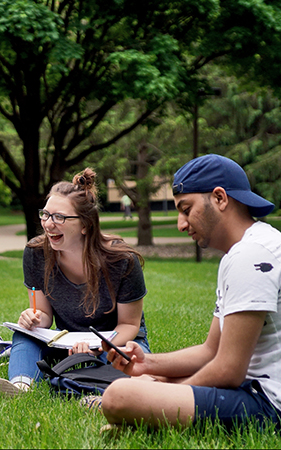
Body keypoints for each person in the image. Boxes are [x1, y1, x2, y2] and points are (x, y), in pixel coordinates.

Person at [99, 154, 281, 432]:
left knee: (119, 396)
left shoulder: (252, 255)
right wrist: (148, 364)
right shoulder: (247, 249)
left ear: (220, 198)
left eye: (186, 209)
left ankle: (144, 416)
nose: (181, 224)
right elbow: (211, 350)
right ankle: (146, 413)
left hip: (269, 404)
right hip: (250, 387)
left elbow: (228, 370)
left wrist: (170, 392)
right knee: (141, 385)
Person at [0, 168, 150, 398]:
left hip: (115, 340)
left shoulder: (121, 261)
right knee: (25, 335)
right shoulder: (35, 254)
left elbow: (129, 325)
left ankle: (95, 392)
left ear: (85, 225)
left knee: (124, 357)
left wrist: (98, 347)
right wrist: (33, 318)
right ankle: (20, 387)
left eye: (59, 217)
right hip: (65, 339)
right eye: (45, 215)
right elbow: (44, 315)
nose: (48, 224)